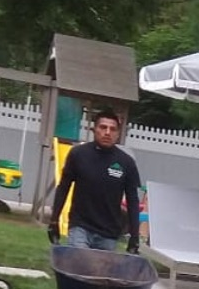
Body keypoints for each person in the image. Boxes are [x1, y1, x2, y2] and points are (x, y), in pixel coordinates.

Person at [48, 108, 142, 252]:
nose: (107, 132)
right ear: (94, 129)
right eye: (103, 127)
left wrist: (134, 236)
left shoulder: (126, 163)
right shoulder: (78, 154)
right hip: (80, 226)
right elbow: (63, 188)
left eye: (112, 129)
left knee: (100, 267)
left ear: (118, 134)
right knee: (80, 263)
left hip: (109, 233)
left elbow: (133, 201)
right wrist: (54, 220)